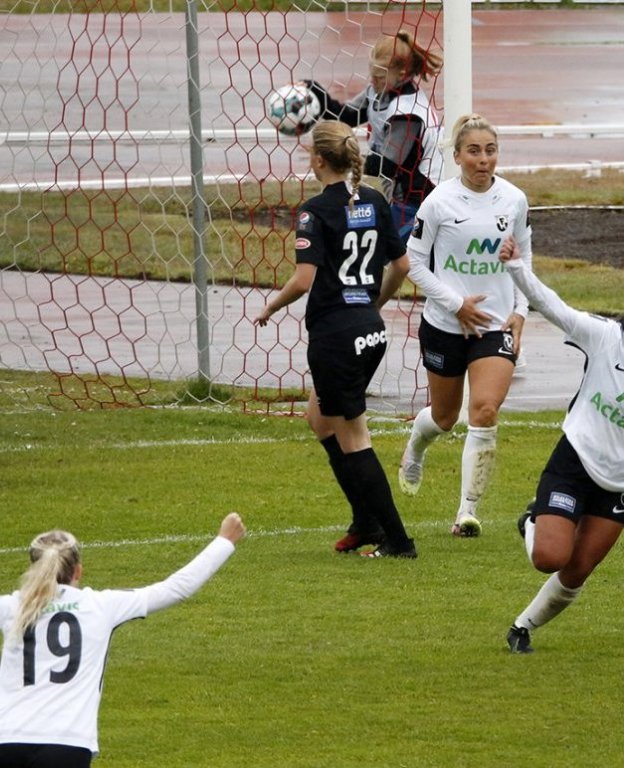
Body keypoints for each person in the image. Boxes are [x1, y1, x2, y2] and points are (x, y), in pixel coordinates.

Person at [0, 512, 246, 767]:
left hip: (6, 744)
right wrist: (223, 542)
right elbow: (175, 588)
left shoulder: (12, 607)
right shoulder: (102, 605)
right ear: (78, 571)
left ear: (34, 568)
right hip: (66, 747)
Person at [254, 119, 415, 559]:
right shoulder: (376, 201)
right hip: (368, 329)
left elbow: (304, 279)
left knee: (353, 436)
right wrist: (370, 307)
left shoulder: (314, 210)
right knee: (320, 419)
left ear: (319, 159)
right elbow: (400, 268)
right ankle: (365, 521)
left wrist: (270, 306)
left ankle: (397, 541)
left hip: (335, 336)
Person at [397, 113, 533, 537]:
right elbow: (413, 263)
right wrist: (456, 304)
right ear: (456, 156)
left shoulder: (513, 200)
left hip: (495, 326)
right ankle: (416, 448)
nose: (483, 159)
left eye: (490, 150)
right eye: (473, 150)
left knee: (485, 410)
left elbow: (523, 260)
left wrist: (521, 311)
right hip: (444, 325)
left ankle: (466, 512)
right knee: (443, 417)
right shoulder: (439, 202)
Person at [498, 236, 624, 654]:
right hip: (576, 460)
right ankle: (533, 520)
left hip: (618, 485)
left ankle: (521, 627)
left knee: (579, 568)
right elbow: (553, 307)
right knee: (550, 557)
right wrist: (517, 268)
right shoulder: (606, 337)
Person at [304, 29, 443, 241]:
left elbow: (386, 165)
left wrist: (341, 157)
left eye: (379, 76)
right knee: (391, 258)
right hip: (402, 197)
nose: (373, 81)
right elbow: (347, 116)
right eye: (372, 73)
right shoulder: (377, 92)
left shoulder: (407, 114)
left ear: (402, 75)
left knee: (388, 257)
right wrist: (316, 92)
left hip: (421, 199)